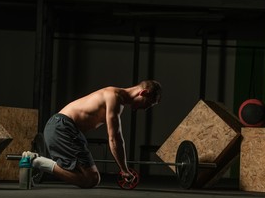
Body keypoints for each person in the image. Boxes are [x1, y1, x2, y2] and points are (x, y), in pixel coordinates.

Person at [22, 80, 162, 188]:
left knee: (87, 176)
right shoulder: (114, 98)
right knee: (91, 179)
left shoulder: (116, 97)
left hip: (65, 128)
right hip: (62, 127)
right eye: (148, 104)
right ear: (143, 93)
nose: (146, 108)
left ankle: (36, 161)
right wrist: (124, 169)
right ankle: (35, 161)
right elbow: (114, 139)